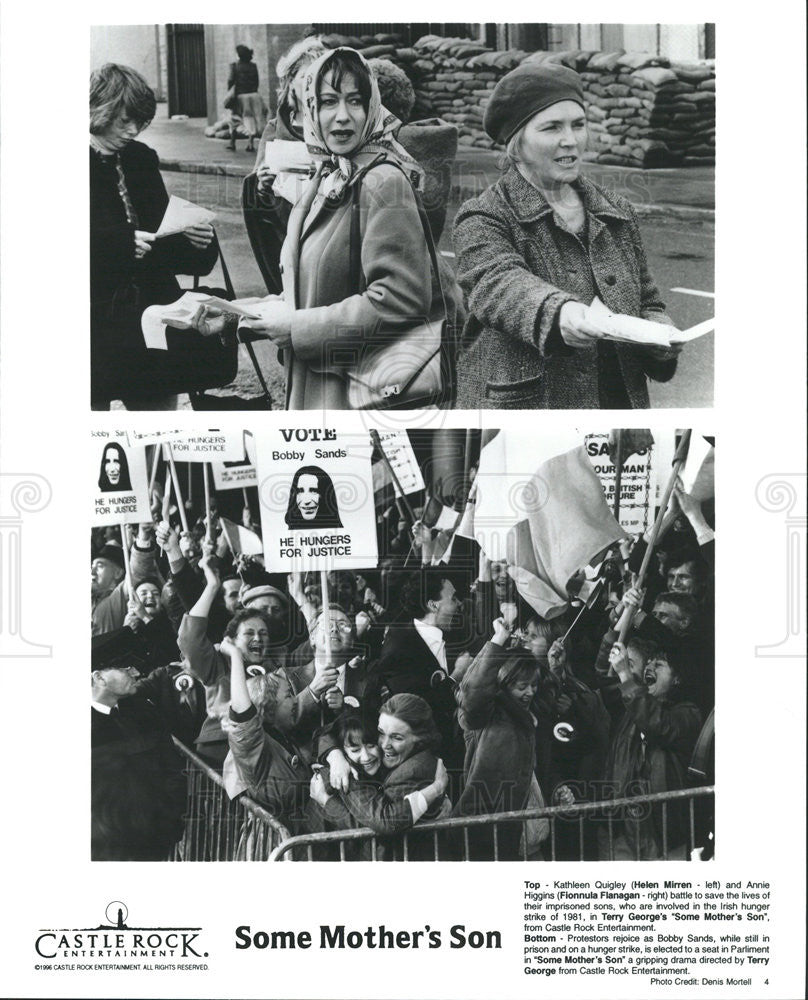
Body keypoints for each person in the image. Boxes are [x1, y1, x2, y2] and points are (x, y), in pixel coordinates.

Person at [196, 47, 440, 410]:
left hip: (361, 399)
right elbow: (310, 293)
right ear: (311, 109)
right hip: (319, 389)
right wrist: (237, 318)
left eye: (355, 101)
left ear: (372, 107)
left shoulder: (382, 181)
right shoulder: (329, 174)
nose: (342, 117)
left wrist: (297, 328)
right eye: (328, 102)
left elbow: (400, 301)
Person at [452, 62, 682, 409]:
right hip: (525, 418)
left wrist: (658, 334)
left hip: (617, 412)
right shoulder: (483, 216)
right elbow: (498, 284)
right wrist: (558, 313)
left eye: (578, 125)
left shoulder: (616, 211)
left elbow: (647, 302)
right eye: (551, 128)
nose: (570, 140)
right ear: (517, 144)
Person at [90, 63, 217, 409]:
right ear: (99, 110)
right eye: (123, 120)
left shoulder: (140, 160)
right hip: (94, 324)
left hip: (151, 318)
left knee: (157, 420)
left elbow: (163, 235)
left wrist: (195, 240)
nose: (132, 130)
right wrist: (118, 244)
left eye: (139, 121)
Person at [310, 695, 450, 859]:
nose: (384, 745)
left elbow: (383, 825)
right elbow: (327, 732)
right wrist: (335, 756)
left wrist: (327, 801)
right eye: (381, 734)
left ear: (420, 737)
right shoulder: (346, 771)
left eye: (397, 737)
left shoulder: (413, 770)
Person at [600, 638, 702, 860]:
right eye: (649, 663)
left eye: (659, 665)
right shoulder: (629, 709)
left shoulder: (688, 713)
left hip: (663, 828)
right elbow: (603, 680)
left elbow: (659, 725)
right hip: (624, 825)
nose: (649, 667)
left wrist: (627, 676)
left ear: (677, 679)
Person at [453, 619, 547, 860]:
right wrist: (498, 641)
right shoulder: (487, 714)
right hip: (486, 832)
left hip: (521, 832)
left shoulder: (528, 716)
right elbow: (472, 690)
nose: (530, 693)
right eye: (522, 686)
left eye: (534, 686)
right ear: (504, 683)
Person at [91, 628, 187, 860]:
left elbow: (173, 769)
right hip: (101, 848)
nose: (135, 672)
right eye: (125, 668)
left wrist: (169, 823)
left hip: (151, 842)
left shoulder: (145, 713)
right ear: (99, 677)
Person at [226, 45, 264, 153]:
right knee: (251, 119)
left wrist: (230, 92)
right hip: (254, 96)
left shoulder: (234, 66)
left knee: (234, 119)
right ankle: (250, 143)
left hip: (240, 96)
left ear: (238, 55)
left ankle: (232, 142)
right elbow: (257, 82)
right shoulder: (253, 66)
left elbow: (230, 80)